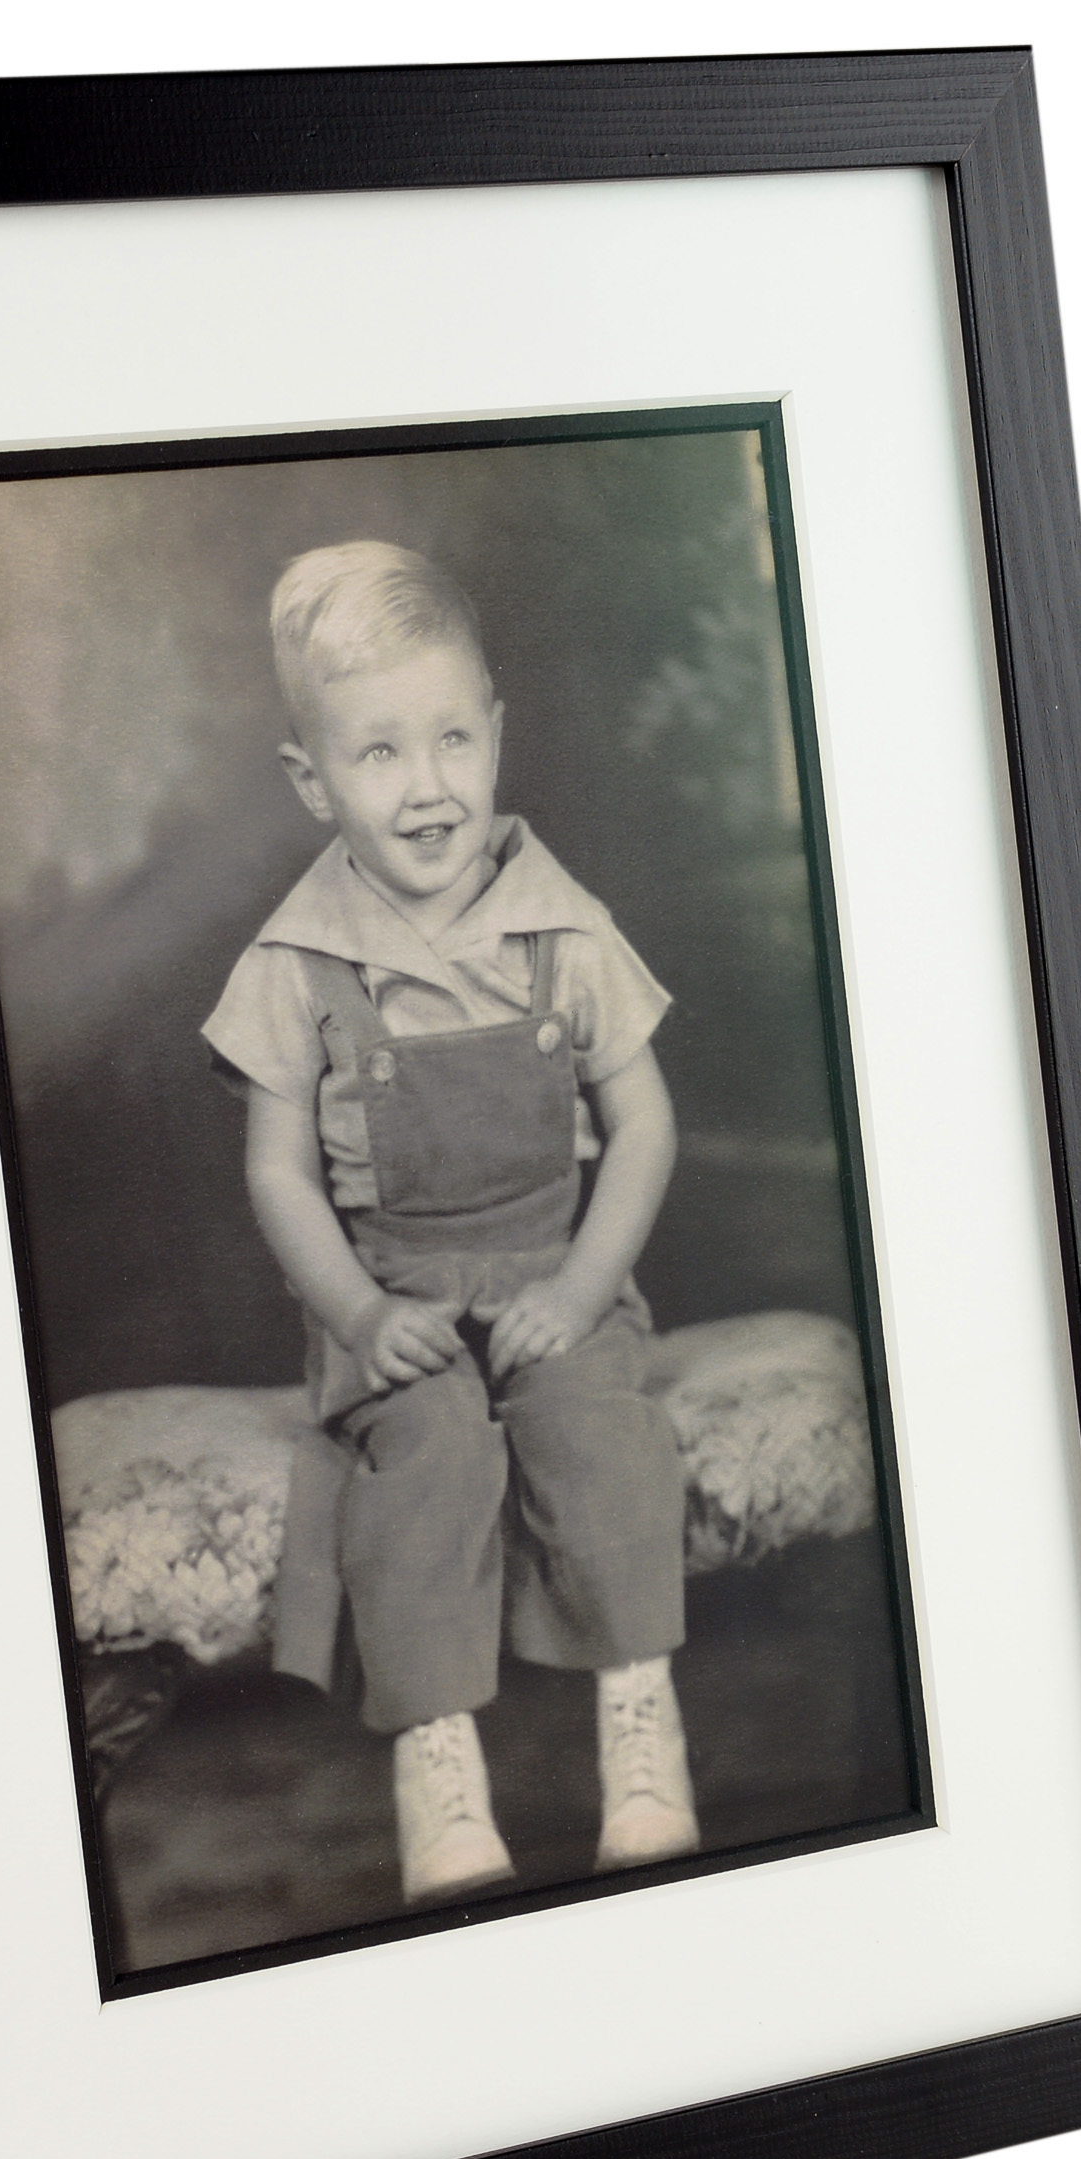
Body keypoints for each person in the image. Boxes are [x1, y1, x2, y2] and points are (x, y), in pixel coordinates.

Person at [203, 541, 697, 1906]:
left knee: (598, 1432)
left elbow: (645, 1127)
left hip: (555, 1273)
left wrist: (583, 1289)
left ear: (495, 733)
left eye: (451, 739)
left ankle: (639, 1725)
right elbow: (279, 1177)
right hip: (397, 1300)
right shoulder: (295, 966)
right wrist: (362, 1318)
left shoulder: (564, 930)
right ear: (312, 780)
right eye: (377, 753)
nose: (426, 786)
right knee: (424, 1455)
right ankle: (437, 1762)